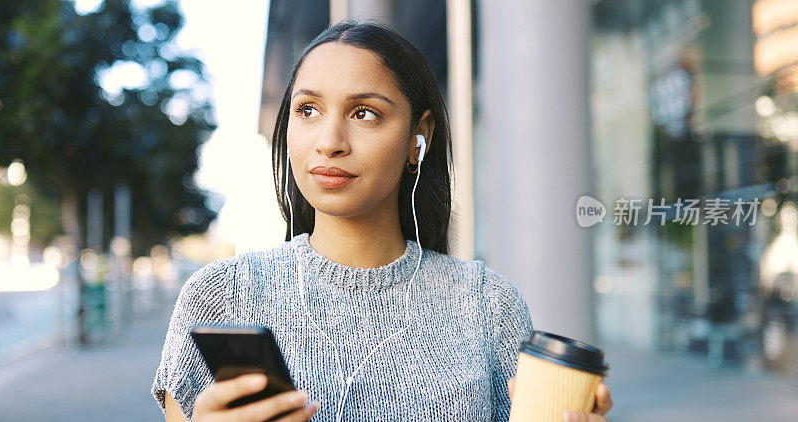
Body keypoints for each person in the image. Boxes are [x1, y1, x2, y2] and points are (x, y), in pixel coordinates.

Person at [151, 18, 613, 422]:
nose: (329, 141)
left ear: (419, 137)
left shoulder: (488, 307)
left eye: (364, 113)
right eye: (307, 109)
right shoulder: (221, 297)